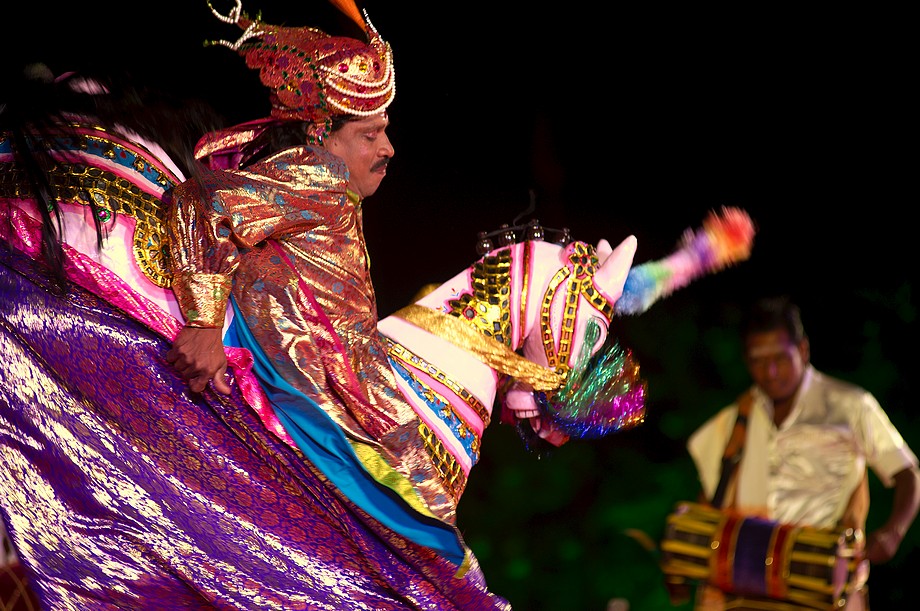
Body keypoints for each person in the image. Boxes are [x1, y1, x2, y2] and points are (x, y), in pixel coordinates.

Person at [683, 295, 920, 610]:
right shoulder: (736, 419)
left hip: (822, 585)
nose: (770, 372)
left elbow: (908, 472)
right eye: (757, 360)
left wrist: (893, 532)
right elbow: (712, 503)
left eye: (780, 358)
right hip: (748, 591)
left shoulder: (849, 406)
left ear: (803, 350)